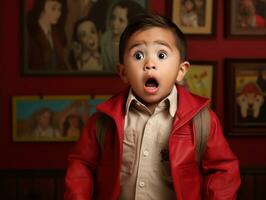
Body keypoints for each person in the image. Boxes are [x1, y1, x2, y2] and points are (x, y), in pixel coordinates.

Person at [65, 14, 241, 199]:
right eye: (138, 55)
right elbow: (81, 167)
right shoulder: (103, 121)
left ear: (181, 71)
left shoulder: (202, 121)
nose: (150, 64)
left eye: (162, 55)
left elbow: (222, 171)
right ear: (123, 72)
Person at [101, 0, 146, 72]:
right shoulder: (105, 39)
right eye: (113, 18)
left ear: (129, 23)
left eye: (121, 20)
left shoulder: (136, 42)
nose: (114, 23)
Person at [27, 0, 67, 71]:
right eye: (53, 9)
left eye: (59, 9)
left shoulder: (57, 33)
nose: (58, 14)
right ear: (41, 9)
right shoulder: (30, 34)